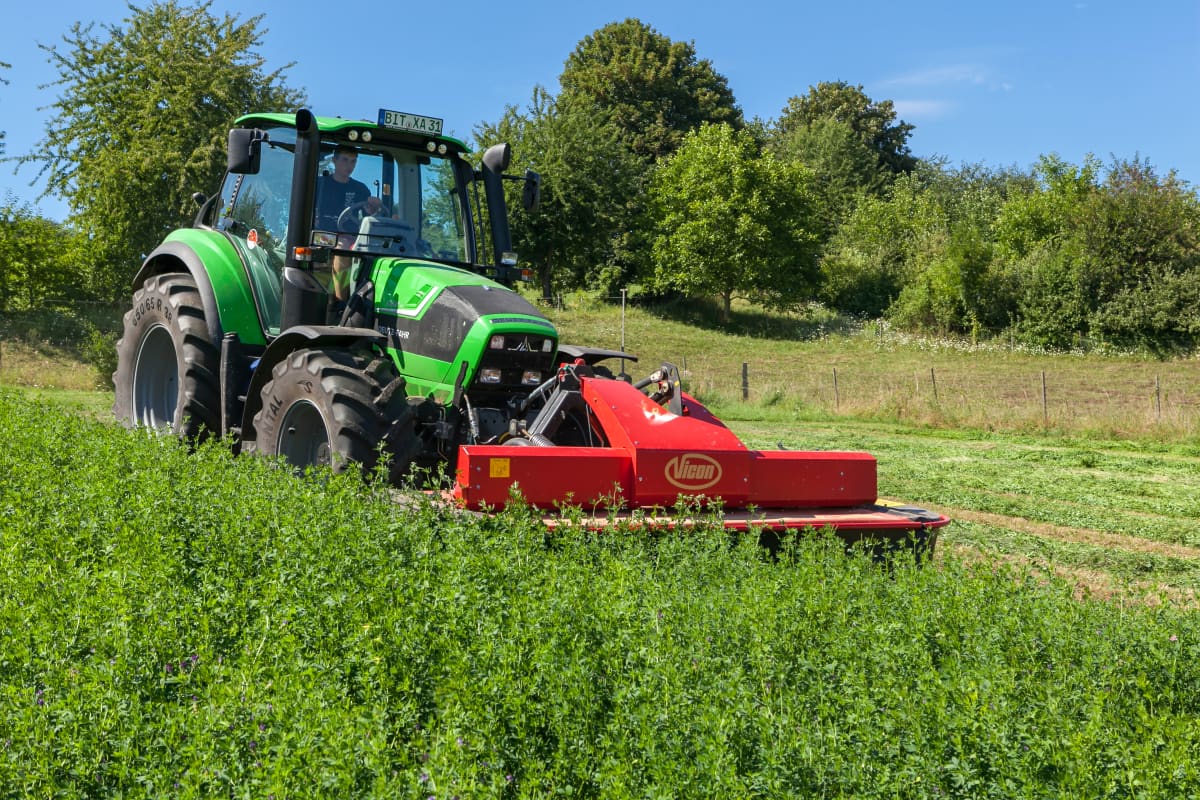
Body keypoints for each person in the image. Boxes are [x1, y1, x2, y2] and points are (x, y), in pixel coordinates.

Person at [315, 146, 381, 301]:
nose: (349, 166)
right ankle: (340, 302)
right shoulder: (320, 184)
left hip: (350, 237)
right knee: (343, 247)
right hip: (321, 235)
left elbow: (367, 219)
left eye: (353, 161)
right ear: (334, 161)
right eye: (345, 160)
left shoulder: (360, 189)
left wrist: (374, 210)